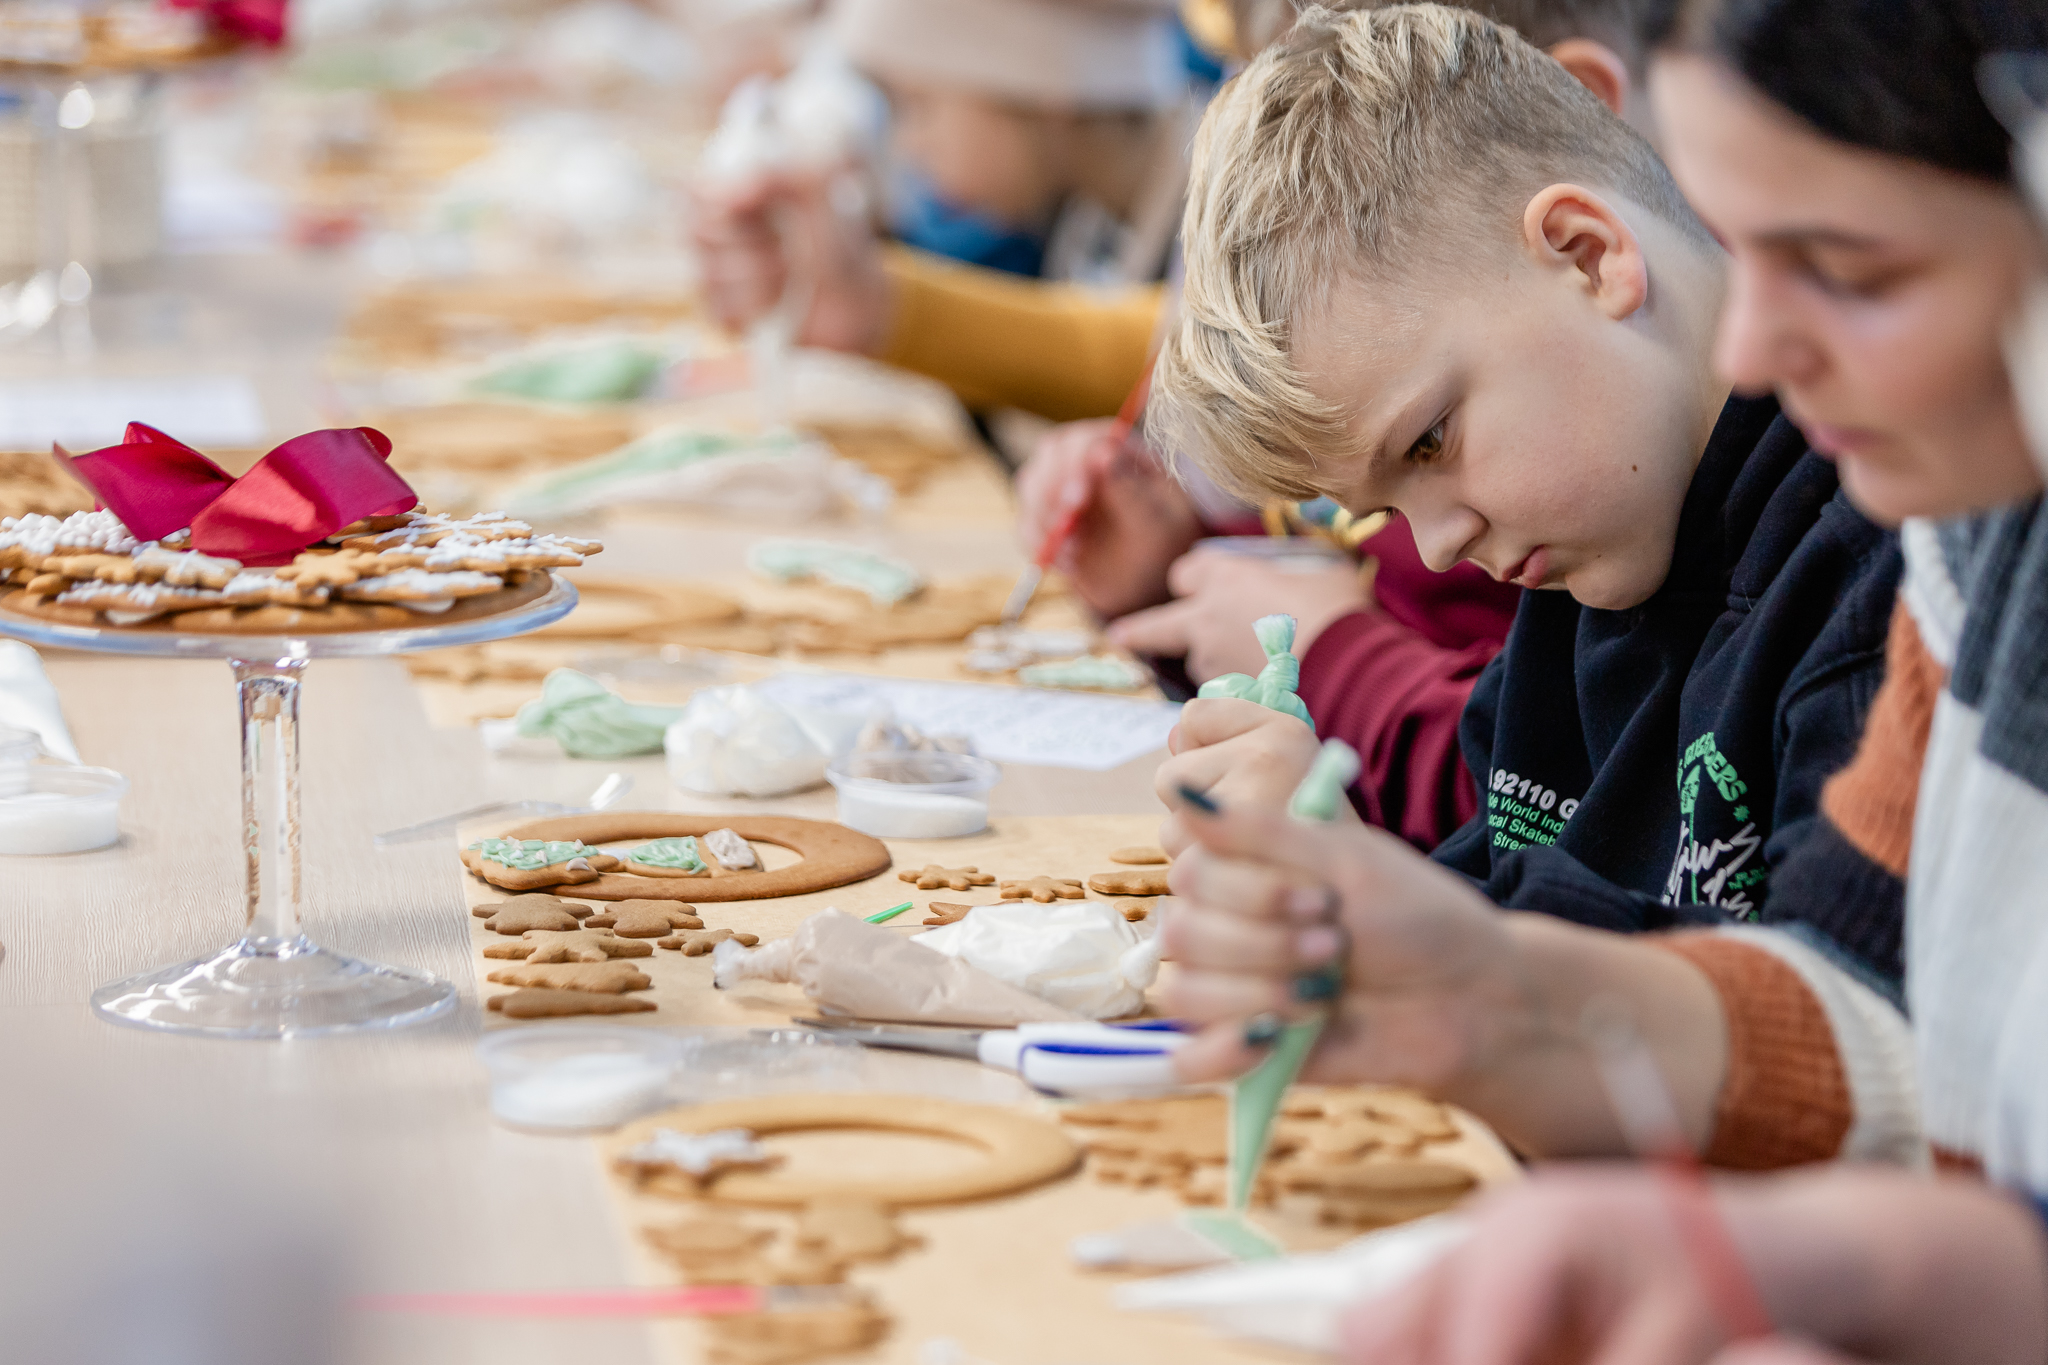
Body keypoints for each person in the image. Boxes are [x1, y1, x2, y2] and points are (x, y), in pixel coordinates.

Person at [1328, 1, 2048, 1361]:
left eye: (1849, 269)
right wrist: (1490, 995)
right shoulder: (1982, 531)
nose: (1748, 348)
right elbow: (1862, 995)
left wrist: (1842, 1270)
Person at [1147, 1, 1913, 1166]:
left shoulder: (1866, 577)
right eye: (1383, 506)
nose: (1437, 546)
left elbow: (1836, 1054)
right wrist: (1329, 869)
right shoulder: (1582, 568)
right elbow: (1498, 885)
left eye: (1429, 441)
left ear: (1586, 255)